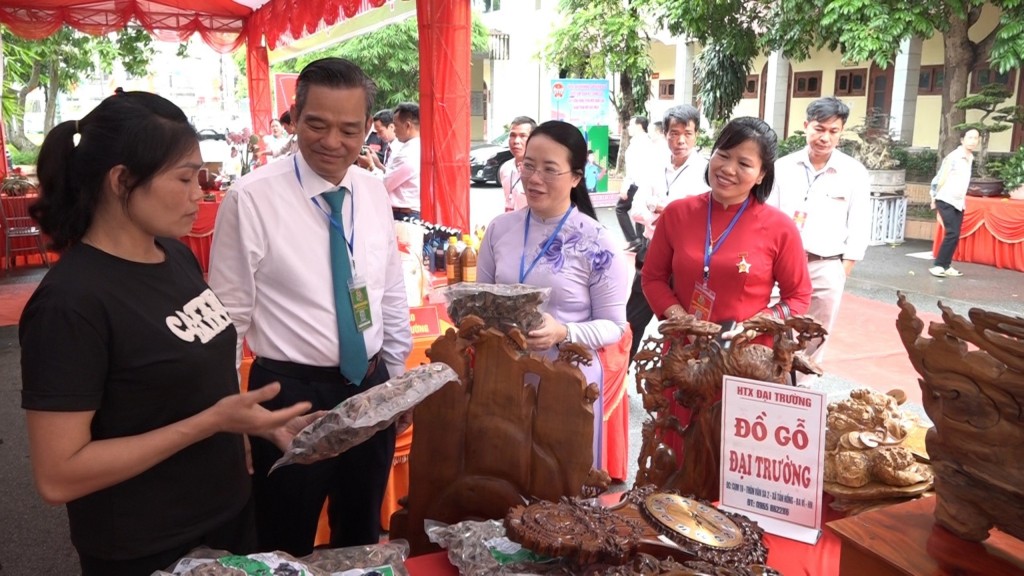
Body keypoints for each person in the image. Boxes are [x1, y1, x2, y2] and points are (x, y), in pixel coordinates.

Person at [20, 89, 314, 576]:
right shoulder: (71, 303)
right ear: (121, 181)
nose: (200, 192)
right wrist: (211, 423)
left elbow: (192, 371)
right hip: (147, 544)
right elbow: (58, 475)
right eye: (183, 178)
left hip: (226, 515)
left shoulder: (173, 255)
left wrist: (250, 423)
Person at [208, 58, 413, 556]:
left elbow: (388, 287)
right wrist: (230, 416)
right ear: (295, 117)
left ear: (368, 128)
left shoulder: (370, 189)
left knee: (361, 533)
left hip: (369, 386)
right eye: (317, 124)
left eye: (349, 129)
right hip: (289, 395)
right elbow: (228, 319)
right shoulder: (251, 197)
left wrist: (396, 377)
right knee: (283, 538)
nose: (332, 142)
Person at [641, 116, 812, 459]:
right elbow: (653, 278)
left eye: (744, 163)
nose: (728, 168)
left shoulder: (779, 227)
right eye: (724, 154)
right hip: (685, 353)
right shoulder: (678, 213)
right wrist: (682, 320)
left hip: (746, 360)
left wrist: (756, 325)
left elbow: (798, 297)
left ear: (762, 174)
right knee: (679, 455)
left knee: (733, 458)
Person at [476, 120, 630, 467]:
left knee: (560, 487)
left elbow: (614, 325)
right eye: (528, 165)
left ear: (576, 177)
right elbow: (481, 299)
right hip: (503, 375)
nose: (533, 178)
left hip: (566, 381)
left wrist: (564, 331)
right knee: (503, 481)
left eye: (549, 170)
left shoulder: (597, 242)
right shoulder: (500, 229)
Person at [768, 96, 871, 367]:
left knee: (814, 336)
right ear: (806, 126)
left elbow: (859, 226)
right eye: (819, 129)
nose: (824, 137)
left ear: (841, 132)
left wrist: (841, 271)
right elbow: (767, 217)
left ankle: (801, 396)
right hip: (780, 266)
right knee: (773, 329)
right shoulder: (782, 168)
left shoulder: (854, 173)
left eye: (833, 131)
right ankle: (771, 389)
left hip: (826, 265)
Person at [626, 105, 710, 362]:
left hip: (689, 256)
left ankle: (679, 388)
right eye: (674, 133)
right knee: (632, 320)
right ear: (665, 135)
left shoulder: (707, 171)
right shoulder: (654, 166)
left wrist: (665, 208)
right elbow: (636, 209)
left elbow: (705, 215)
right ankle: (617, 382)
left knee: (683, 323)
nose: (680, 140)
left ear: (696, 136)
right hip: (652, 250)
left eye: (687, 133)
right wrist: (667, 211)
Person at [929, 129, 979, 278]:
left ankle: (946, 265)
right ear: (962, 140)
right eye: (970, 137)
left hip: (958, 201)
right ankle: (938, 265)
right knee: (952, 233)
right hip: (945, 199)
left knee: (955, 234)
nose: (973, 141)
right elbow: (939, 178)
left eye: (976, 138)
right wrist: (933, 197)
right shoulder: (954, 157)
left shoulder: (970, 157)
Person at [616, 115, 652, 252]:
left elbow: (633, 169)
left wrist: (625, 187)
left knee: (620, 208)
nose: (628, 128)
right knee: (640, 213)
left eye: (631, 125)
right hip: (645, 184)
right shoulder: (647, 142)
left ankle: (634, 239)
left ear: (639, 126)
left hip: (637, 184)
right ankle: (640, 242)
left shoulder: (637, 144)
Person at [383, 102, 421, 220]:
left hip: (404, 213)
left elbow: (386, 184)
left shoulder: (408, 153)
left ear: (408, 126)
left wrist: (371, 167)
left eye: (396, 126)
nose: (394, 131)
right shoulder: (418, 146)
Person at [499, 115, 536, 212]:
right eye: (513, 135)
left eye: (523, 136)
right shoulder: (505, 168)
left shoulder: (539, 171)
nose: (516, 141)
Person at [356, 109, 397, 175]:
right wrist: (377, 164)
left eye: (380, 131)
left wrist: (370, 165)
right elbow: (387, 173)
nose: (378, 136)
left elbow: (390, 180)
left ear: (391, 127)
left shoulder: (401, 151)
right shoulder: (389, 147)